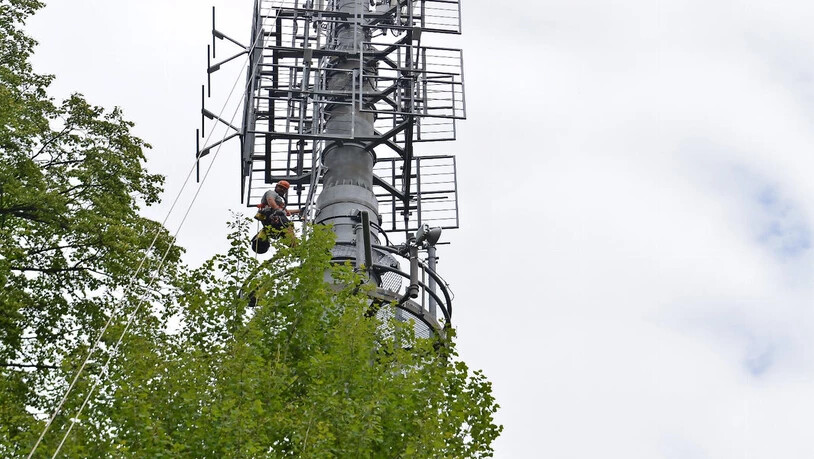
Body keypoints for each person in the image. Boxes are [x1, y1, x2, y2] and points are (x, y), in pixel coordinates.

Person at [251, 181, 298, 253]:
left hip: (273, 220)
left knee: (283, 233)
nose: (282, 189)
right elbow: (270, 200)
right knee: (287, 226)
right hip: (270, 216)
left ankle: (295, 248)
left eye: (284, 189)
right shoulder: (272, 193)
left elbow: (285, 212)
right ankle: (295, 246)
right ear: (276, 186)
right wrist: (276, 209)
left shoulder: (279, 205)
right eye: (280, 187)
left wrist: (299, 211)